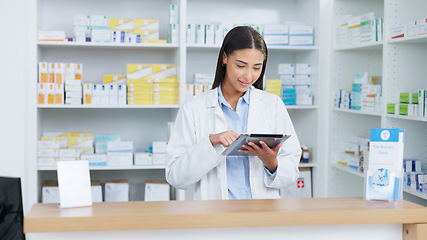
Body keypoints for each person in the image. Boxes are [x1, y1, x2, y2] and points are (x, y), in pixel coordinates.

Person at [166, 26, 302, 200]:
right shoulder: (193, 108)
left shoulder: (273, 105)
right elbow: (175, 176)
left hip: (261, 215)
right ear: (224, 57)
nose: (248, 76)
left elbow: (291, 170)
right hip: (214, 216)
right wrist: (210, 143)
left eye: (256, 68)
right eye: (241, 65)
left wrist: (272, 164)